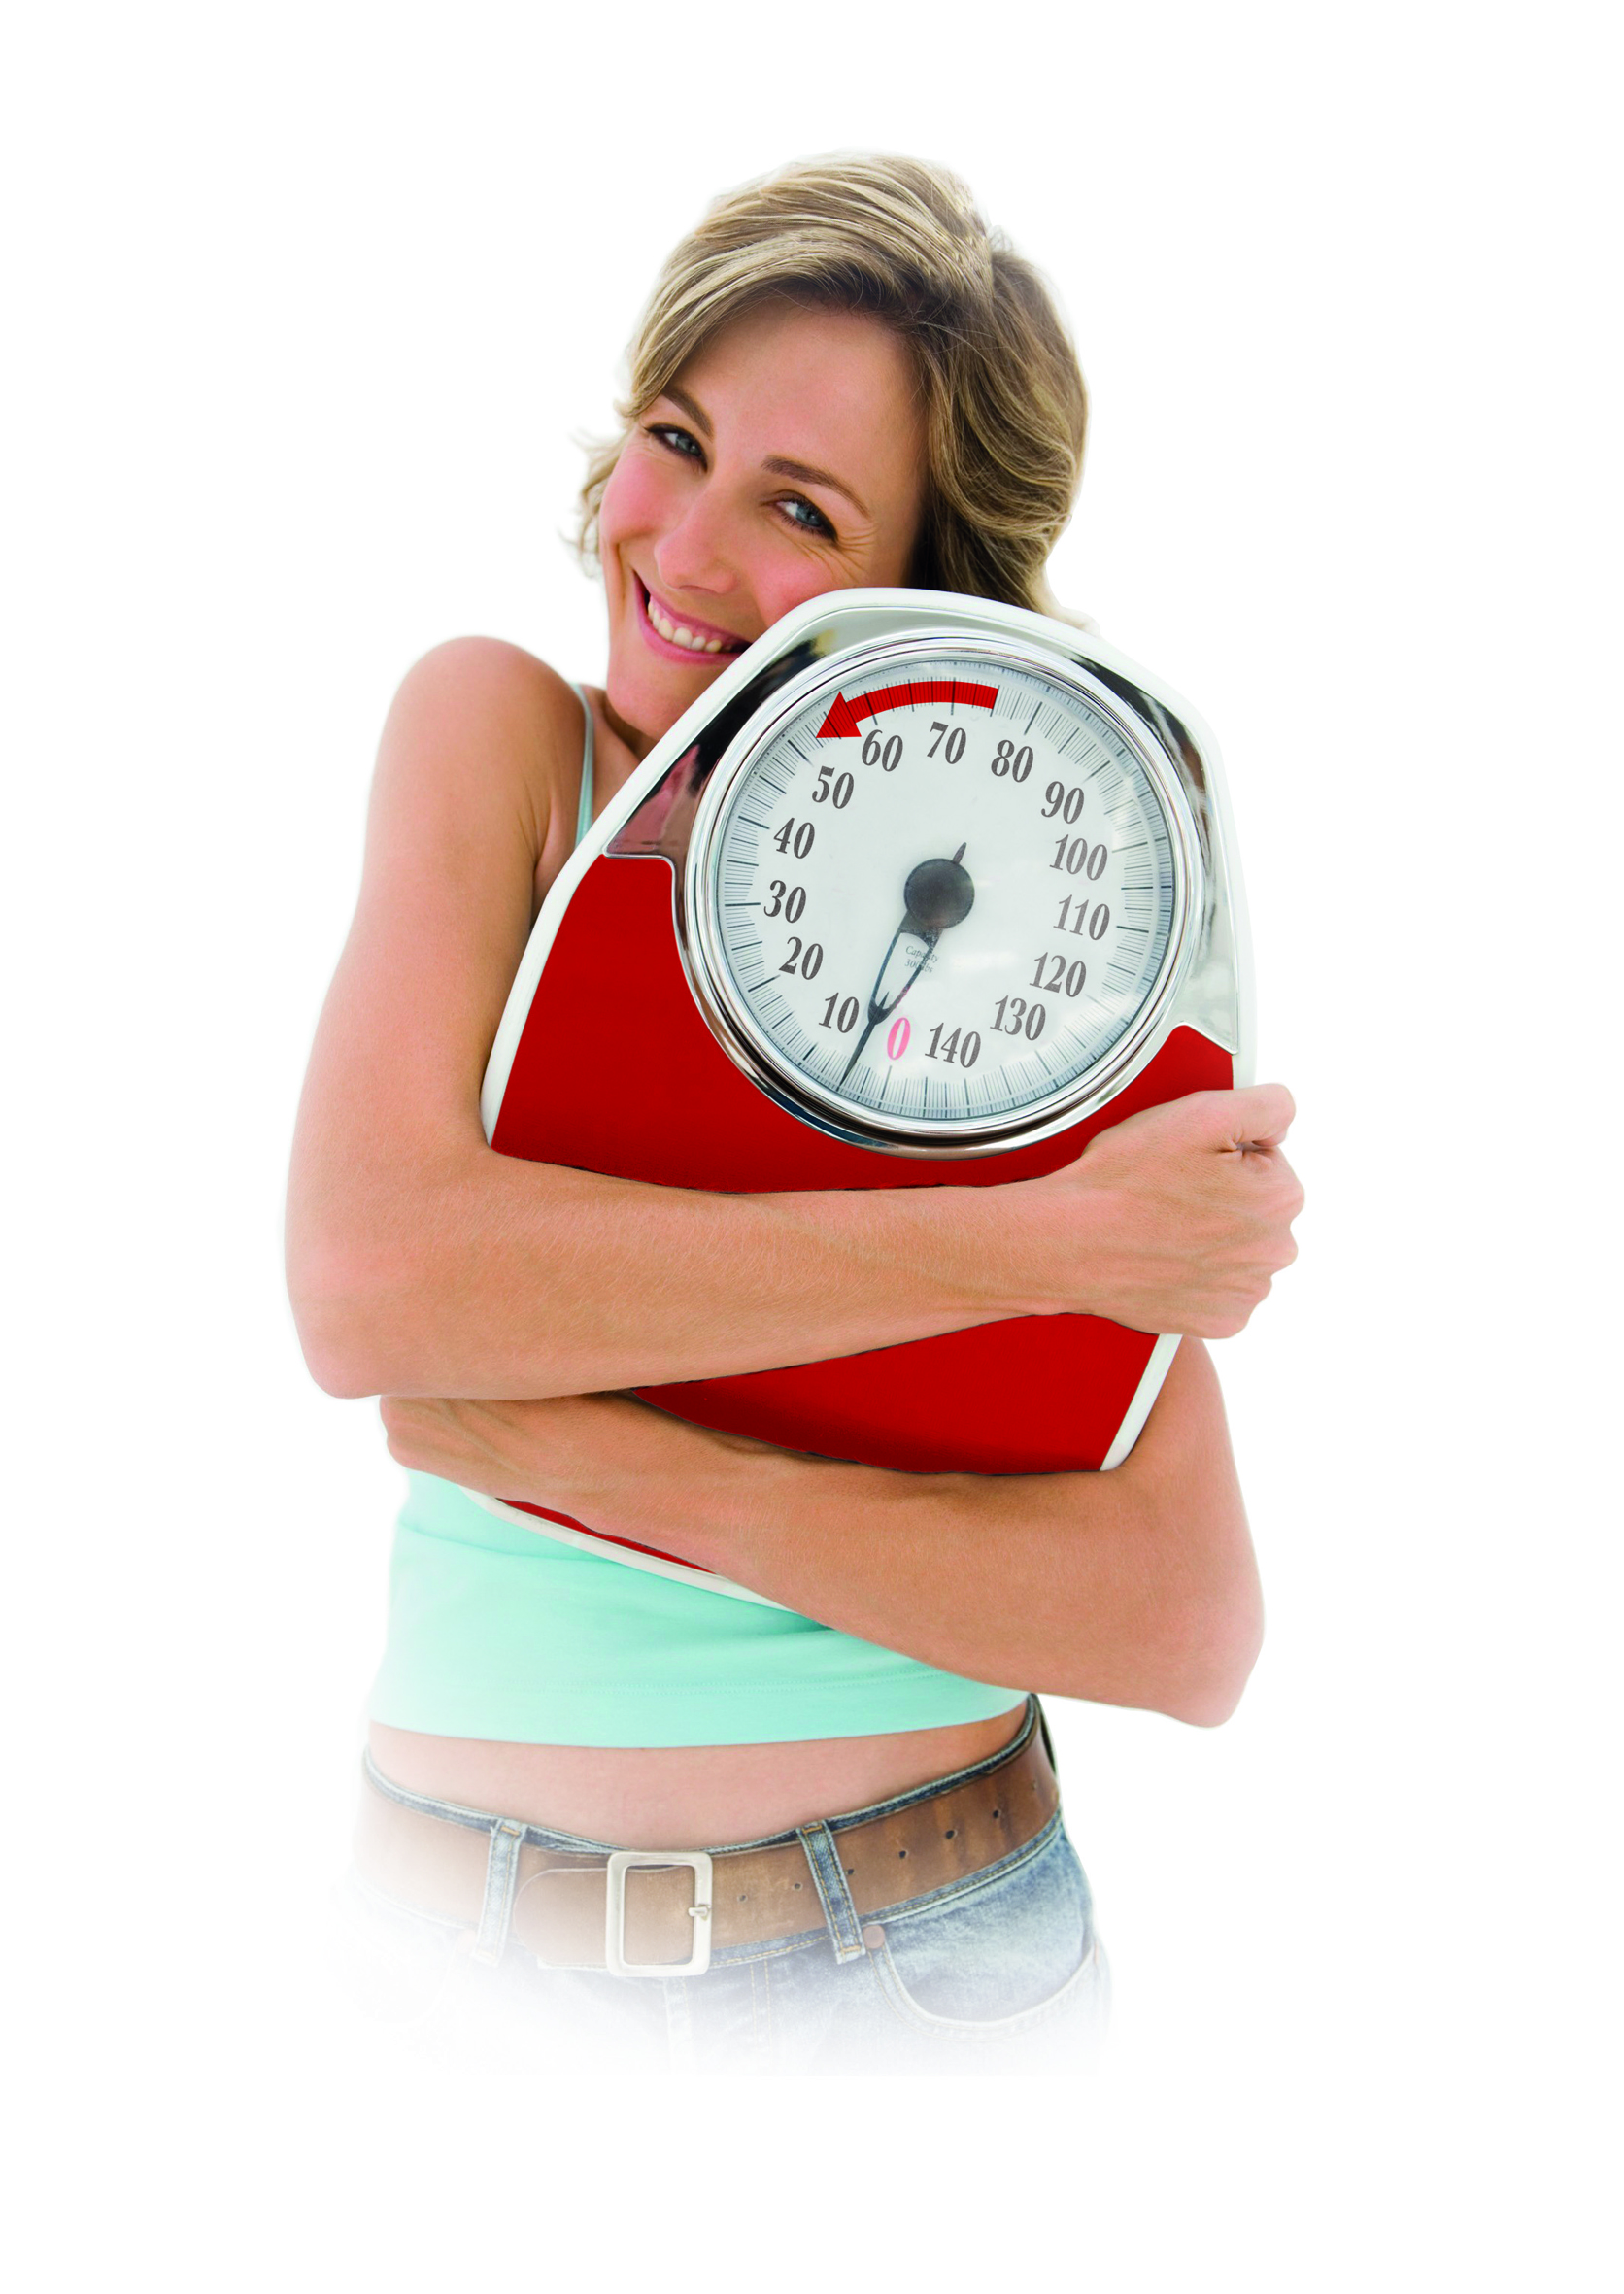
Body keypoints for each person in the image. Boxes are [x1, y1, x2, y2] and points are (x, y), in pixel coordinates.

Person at [287, 154, 1303, 2075]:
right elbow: (372, 1285)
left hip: (922, 1964)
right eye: (677, 438)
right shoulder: (503, 741)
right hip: (444, 1966)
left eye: (801, 508)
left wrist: (620, 1462)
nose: (681, 546)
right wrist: (1034, 1242)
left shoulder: (1019, 923)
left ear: (928, 593)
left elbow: (1182, 1621)